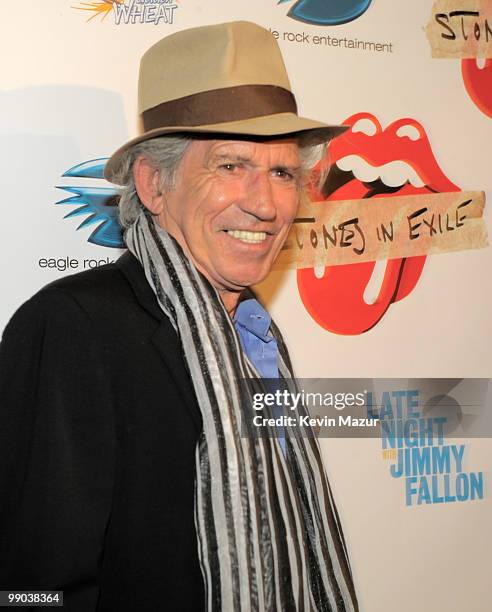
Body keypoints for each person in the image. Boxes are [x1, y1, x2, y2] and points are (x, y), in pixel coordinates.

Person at [0, 21, 358, 612]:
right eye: (230, 166)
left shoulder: (257, 337)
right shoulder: (74, 329)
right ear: (153, 184)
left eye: (282, 172)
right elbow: (31, 584)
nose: (266, 204)